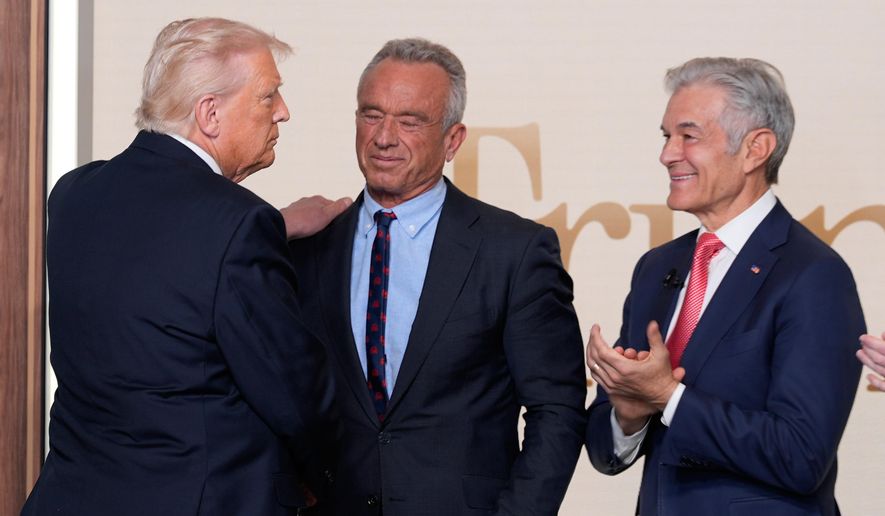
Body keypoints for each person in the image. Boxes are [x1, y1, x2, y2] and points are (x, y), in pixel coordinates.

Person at [22, 17, 348, 516]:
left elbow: (156, 265)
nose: (283, 112)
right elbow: (297, 397)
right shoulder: (239, 225)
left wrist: (274, 227)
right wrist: (328, 483)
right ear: (210, 114)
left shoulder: (74, 194)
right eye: (268, 96)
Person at [288, 38, 586, 515]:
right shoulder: (309, 247)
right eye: (371, 114)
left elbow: (558, 411)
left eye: (410, 121)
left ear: (452, 140)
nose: (384, 136)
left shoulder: (514, 251)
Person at [585, 57, 865, 515]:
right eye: (666, 136)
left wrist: (667, 396)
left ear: (756, 148)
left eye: (688, 136)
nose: (667, 154)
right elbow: (604, 449)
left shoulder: (813, 274)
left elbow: (801, 455)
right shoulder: (658, 267)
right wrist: (628, 413)